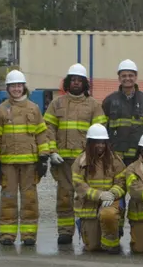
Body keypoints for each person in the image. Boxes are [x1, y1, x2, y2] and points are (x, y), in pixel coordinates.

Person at [43, 63, 108, 245]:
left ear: (85, 83)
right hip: (62, 161)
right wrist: (52, 151)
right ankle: (65, 232)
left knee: (85, 197)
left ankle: (88, 232)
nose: (76, 83)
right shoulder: (57, 104)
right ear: (68, 82)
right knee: (64, 196)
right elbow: (48, 129)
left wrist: (93, 156)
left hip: (84, 162)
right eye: (73, 80)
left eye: (80, 80)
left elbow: (99, 133)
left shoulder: (94, 105)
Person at [0, 70, 51, 246]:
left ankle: (29, 234)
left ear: (24, 87)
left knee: (29, 199)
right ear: (8, 88)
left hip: (29, 164)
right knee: (8, 198)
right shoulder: (1, 111)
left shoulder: (34, 109)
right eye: (13, 86)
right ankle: (7, 234)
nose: (16, 89)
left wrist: (43, 158)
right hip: (8, 163)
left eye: (19, 85)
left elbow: (41, 135)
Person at [71, 123, 126, 254]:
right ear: (90, 143)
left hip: (110, 203)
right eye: (97, 142)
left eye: (103, 143)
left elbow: (122, 181)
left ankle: (113, 242)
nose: (100, 146)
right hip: (89, 208)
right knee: (92, 247)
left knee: (109, 215)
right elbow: (78, 184)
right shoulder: (81, 161)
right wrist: (99, 195)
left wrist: (112, 194)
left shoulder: (115, 160)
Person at [103, 59, 143, 165]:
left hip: (139, 155)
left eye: (130, 75)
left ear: (136, 77)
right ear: (119, 78)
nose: (127, 78)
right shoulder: (109, 101)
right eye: (124, 76)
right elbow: (104, 128)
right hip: (116, 155)